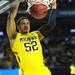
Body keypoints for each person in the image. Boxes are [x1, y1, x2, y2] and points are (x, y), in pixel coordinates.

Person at [6, 0, 56, 75]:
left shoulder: (36, 35)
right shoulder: (14, 37)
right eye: (23, 23)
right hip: (27, 73)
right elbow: (11, 18)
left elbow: (51, 25)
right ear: (18, 27)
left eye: (27, 23)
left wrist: (54, 6)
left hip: (43, 72)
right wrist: (17, 2)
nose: (26, 25)